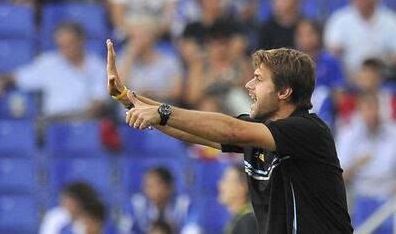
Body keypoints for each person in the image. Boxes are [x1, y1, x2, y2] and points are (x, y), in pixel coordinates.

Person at [106, 39, 353, 233]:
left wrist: (162, 112)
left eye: (258, 79)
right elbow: (190, 130)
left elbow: (231, 129)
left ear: (284, 91)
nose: (248, 85)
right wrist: (127, 98)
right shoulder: (258, 134)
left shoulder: (308, 130)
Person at [0, 21, 107, 120]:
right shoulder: (49, 63)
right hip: (52, 122)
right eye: (61, 46)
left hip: (85, 121)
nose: (65, 50)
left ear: (81, 41)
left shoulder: (97, 67)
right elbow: (19, 77)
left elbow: (99, 101)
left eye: (69, 44)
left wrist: (78, 120)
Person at [336, 92, 396, 233]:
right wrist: (356, 165)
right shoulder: (348, 134)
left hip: (389, 195)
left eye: (374, 108)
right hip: (359, 195)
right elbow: (338, 177)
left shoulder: (393, 133)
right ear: (359, 111)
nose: (372, 114)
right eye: (367, 109)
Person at [116, 16, 183, 105]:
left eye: (139, 36)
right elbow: (118, 90)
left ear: (151, 38)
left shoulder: (169, 61)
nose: (135, 41)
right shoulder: (123, 59)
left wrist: (150, 94)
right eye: (132, 37)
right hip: (130, 114)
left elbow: (177, 92)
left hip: (162, 113)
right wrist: (130, 57)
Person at [324, 0, 396, 79]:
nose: (363, 1)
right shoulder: (339, 20)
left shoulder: (391, 20)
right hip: (349, 76)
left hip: (383, 76)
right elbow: (332, 52)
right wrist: (347, 75)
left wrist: (385, 62)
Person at [294, 18, 347, 127]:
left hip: (326, 115)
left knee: (322, 94)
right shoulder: (290, 63)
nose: (305, 39)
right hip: (297, 114)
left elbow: (340, 96)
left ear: (318, 35)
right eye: (301, 35)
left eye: (309, 34)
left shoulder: (331, 61)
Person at [118, 167, 195, 234]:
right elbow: (124, 230)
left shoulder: (184, 205)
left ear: (168, 187)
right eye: (146, 185)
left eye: (153, 185)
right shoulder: (136, 204)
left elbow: (193, 230)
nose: (147, 190)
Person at [218, 165, 258, 234]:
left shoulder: (247, 223)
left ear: (243, 187)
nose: (220, 185)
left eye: (227, 180)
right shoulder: (240, 220)